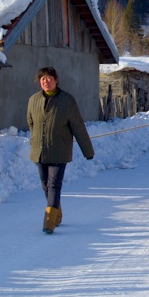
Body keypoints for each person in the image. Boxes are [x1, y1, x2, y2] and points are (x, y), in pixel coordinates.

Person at [27, 66, 94, 234]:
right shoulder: (34, 100)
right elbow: (31, 123)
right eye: (43, 79)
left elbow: (78, 126)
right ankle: (56, 214)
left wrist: (88, 151)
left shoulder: (67, 100)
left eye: (49, 78)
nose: (46, 81)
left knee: (54, 184)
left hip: (59, 150)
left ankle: (49, 222)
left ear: (56, 80)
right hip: (40, 151)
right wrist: (35, 139)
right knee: (45, 185)